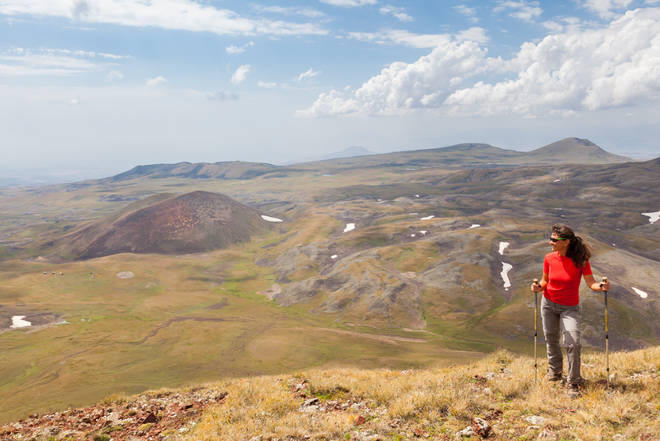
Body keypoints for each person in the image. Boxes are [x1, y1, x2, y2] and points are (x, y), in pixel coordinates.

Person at [530, 224, 610, 395]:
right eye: (550, 239)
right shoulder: (549, 258)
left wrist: (601, 286)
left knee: (573, 342)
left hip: (569, 308)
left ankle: (573, 382)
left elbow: (590, 283)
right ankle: (555, 373)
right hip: (548, 304)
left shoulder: (581, 260)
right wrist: (538, 288)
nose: (550, 242)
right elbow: (545, 281)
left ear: (565, 242)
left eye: (554, 240)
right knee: (551, 339)